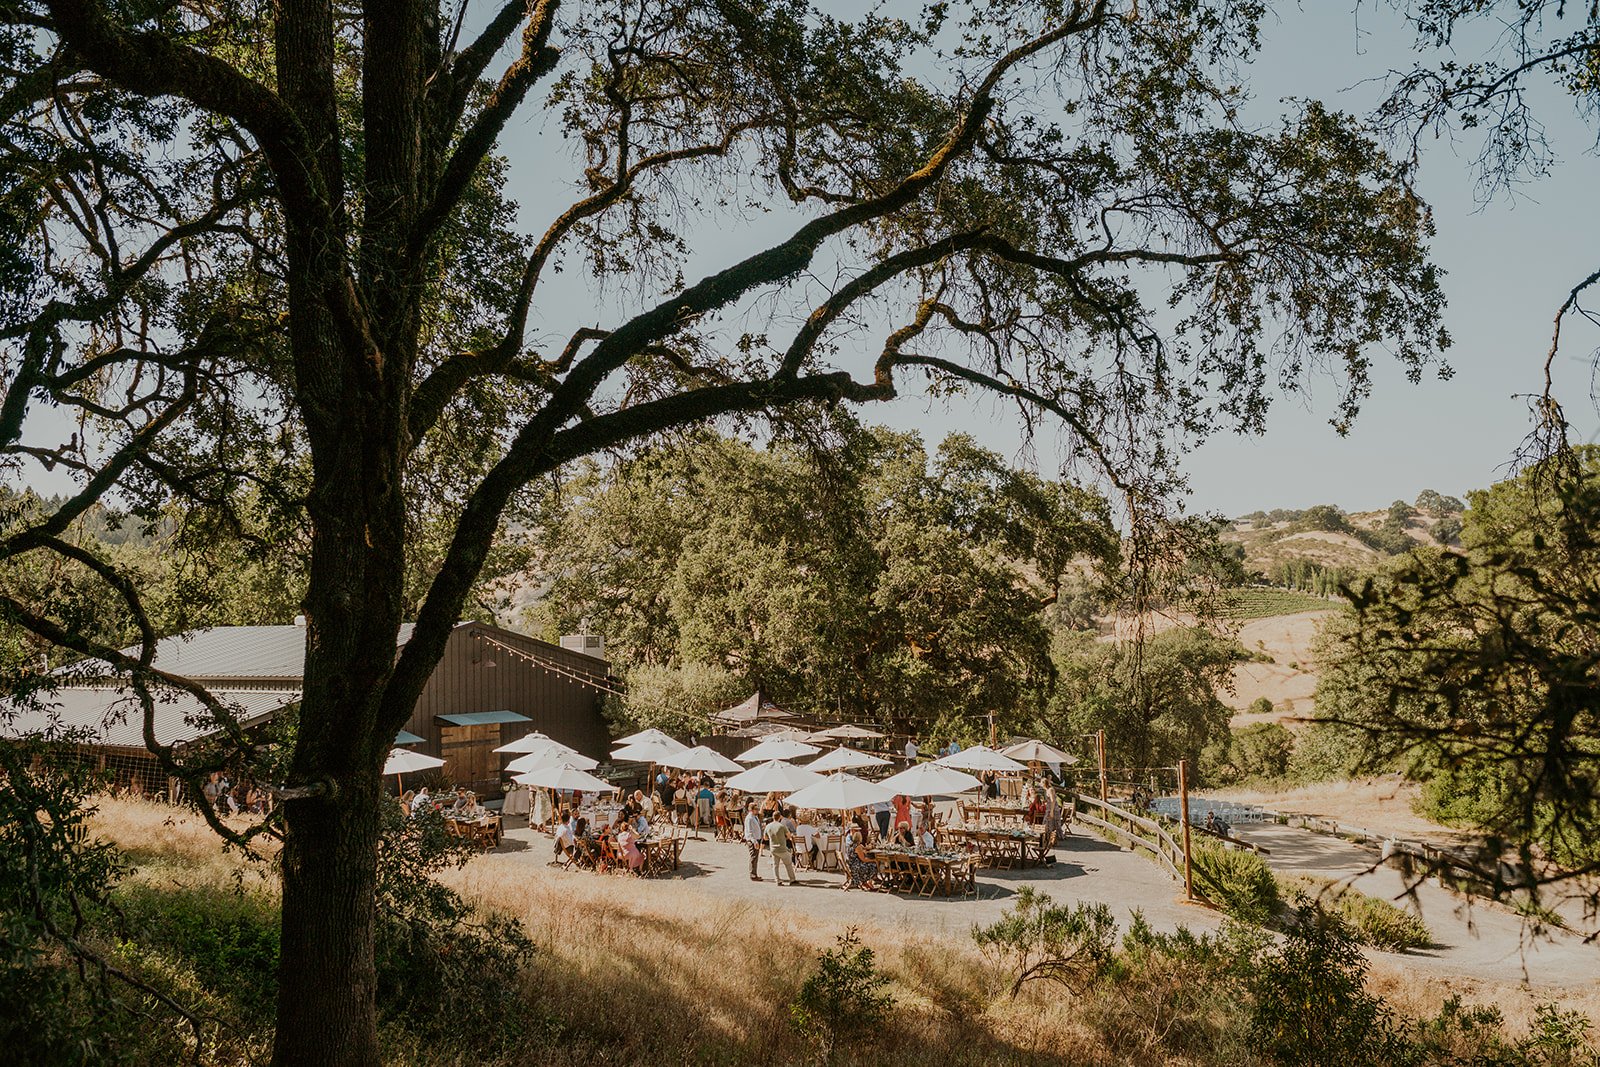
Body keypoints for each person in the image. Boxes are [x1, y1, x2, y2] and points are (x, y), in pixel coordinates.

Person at [765, 808, 797, 885]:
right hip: (782, 847)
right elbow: (789, 836)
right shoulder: (782, 826)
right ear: (780, 817)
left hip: (773, 847)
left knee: (775, 865)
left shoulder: (768, 826)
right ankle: (792, 879)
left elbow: (765, 838)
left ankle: (777, 880)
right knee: (788, 864)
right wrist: (783, 837)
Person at [842, 822, 878, 891]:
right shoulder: (857, 846)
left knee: (870, 863)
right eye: (856, 830)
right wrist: (874, 860)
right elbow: (863, 859)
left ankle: (866, 882)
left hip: (852, 864)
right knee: (874, 865)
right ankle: (866, 881)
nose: (858, 832)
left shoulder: (852, 844)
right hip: (855, 867)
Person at [743, 801, 765, 881]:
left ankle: (754, 873)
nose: (758, 810)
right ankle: (753, 874)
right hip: (753, 840)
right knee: (753, 857)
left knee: (755, 858)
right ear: (751, 810)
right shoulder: (749, 818)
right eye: (756, 809)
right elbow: (749, 831)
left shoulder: (755, 817)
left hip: (757, 838)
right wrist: (754, 841)